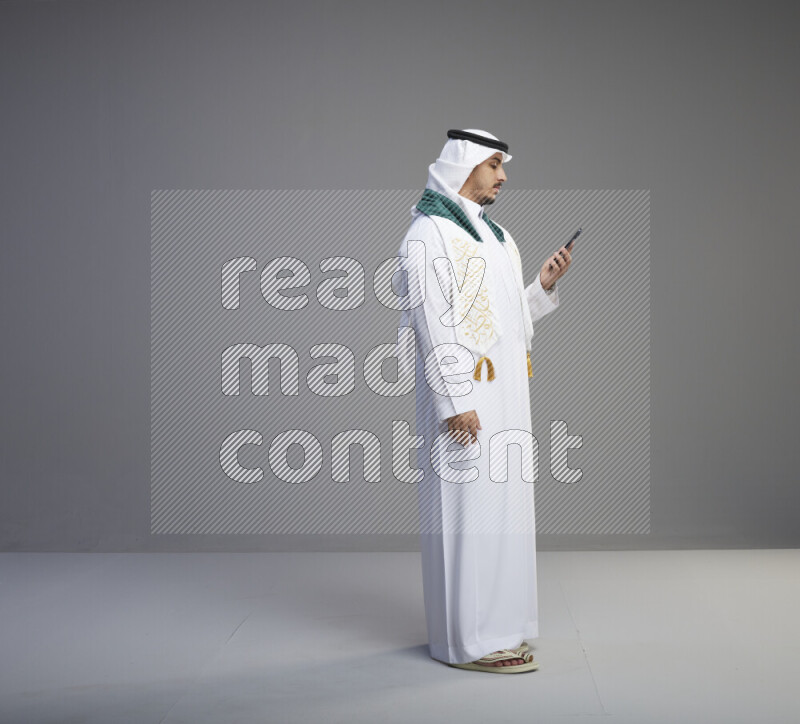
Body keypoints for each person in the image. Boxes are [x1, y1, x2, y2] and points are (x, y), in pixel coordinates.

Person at [396, 129, 573, 673]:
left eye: (502, 165)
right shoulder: (429, 234)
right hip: (466, 399)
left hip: (505, 397)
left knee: (504, 510)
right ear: (464, 164)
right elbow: (432, 322)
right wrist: (454, 400)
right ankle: (466, 642)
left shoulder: (497, 236)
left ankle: (503, 627)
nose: (503, 176)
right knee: (466, 514)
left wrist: (540, 287)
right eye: (494, 165)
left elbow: (504, 323)